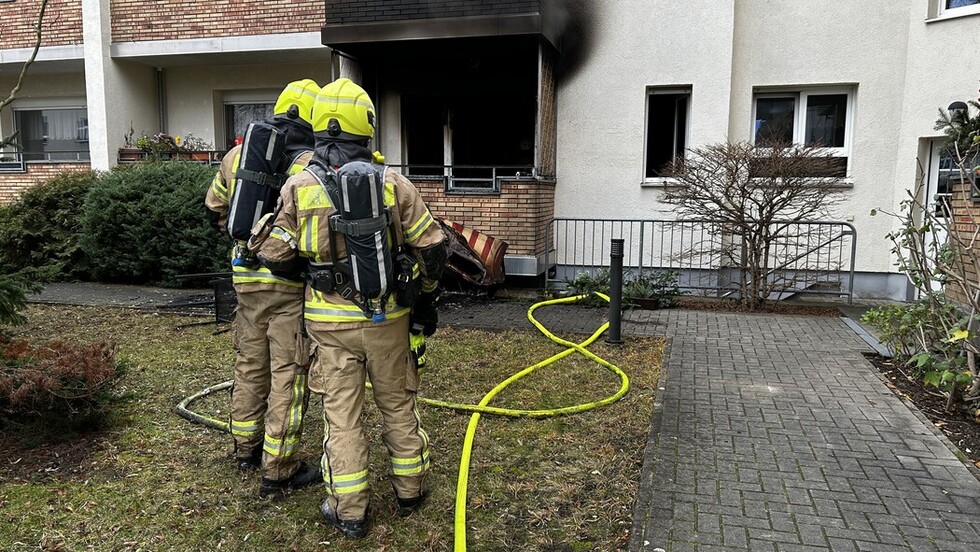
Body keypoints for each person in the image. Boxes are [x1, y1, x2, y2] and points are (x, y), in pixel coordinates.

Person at [255, 77, 447, 538]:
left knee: (341, 416)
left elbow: (273, 255)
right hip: (389, 319)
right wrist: (425, 294)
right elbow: (434, 246)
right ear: (368, 128)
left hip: (327, 323)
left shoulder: (300, 187)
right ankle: (410, 489)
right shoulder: (394, 183)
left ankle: (350, 510)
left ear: (319, 128)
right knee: (398, 404)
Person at [204, 78, 323, 496]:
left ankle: (244, 447)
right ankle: (280, 469)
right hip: (288, 284)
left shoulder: (238, 155)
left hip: (244, 278)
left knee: (250, 364)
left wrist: (241, 240)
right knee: (288, 375)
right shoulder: (309, 164)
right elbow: (316, 232)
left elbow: (214, 206)